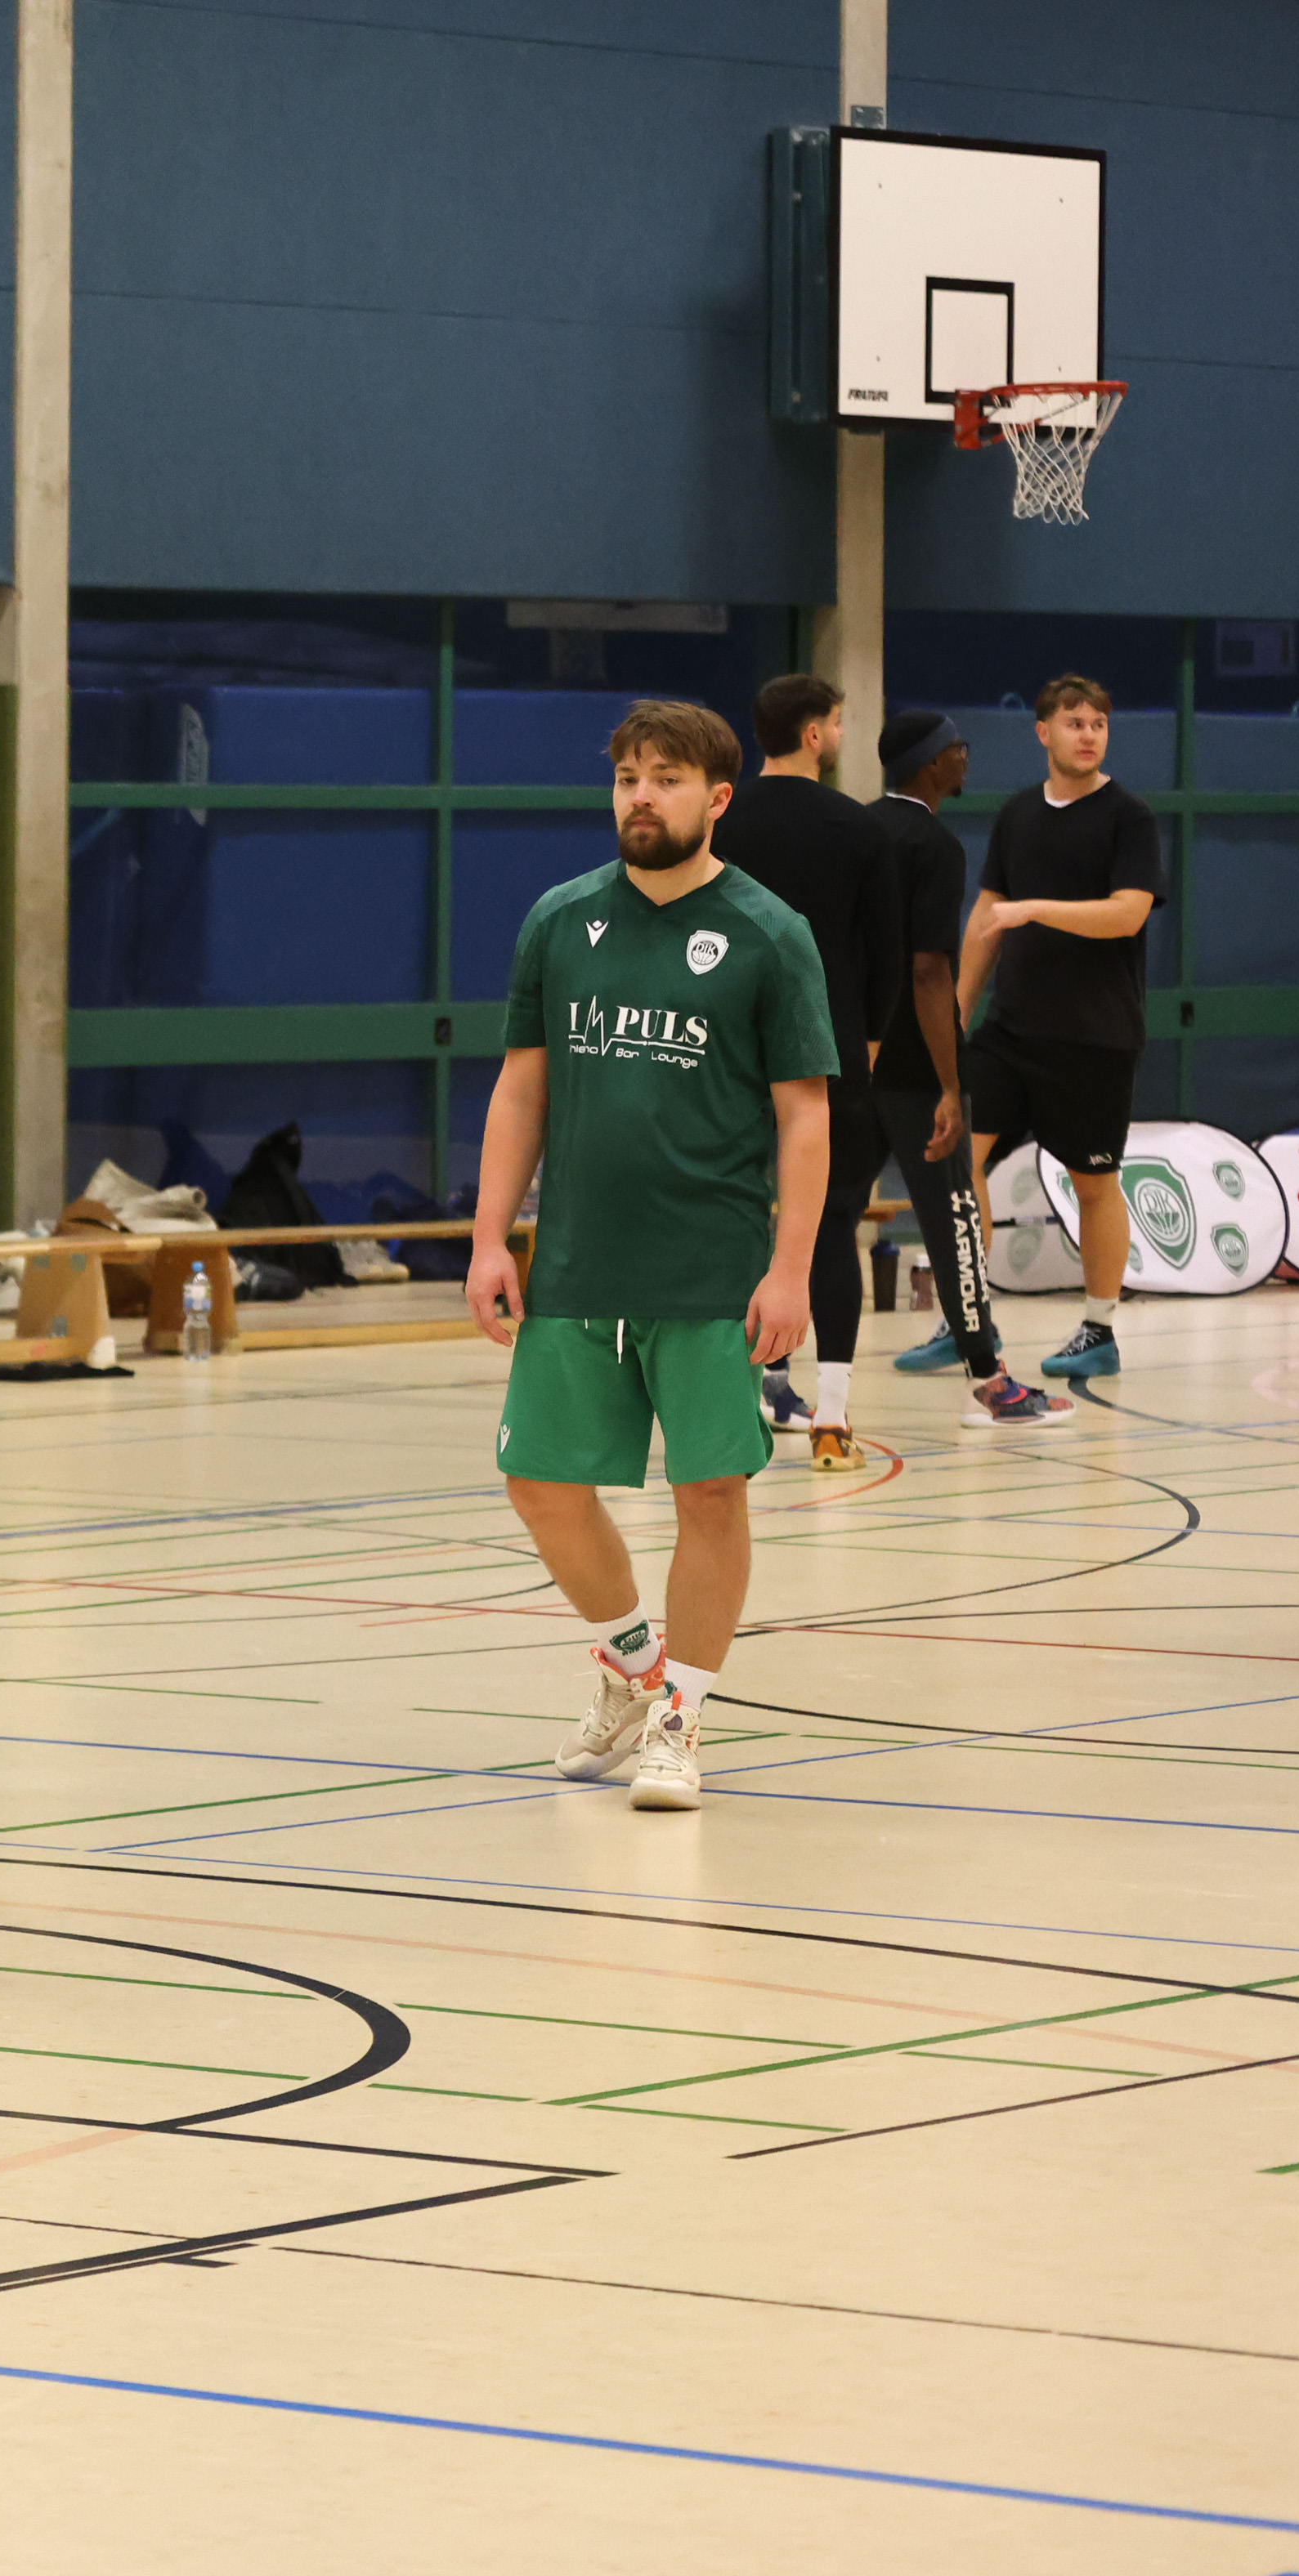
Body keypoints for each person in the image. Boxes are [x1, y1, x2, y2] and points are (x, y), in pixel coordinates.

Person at [466, 700, 835, 1814]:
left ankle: (681, 1716)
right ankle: (633, 1665)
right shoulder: (560, 919)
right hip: (577, 1262)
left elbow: (804, 1117)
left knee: (708, 1493)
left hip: (710, 1269)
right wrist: (489, 1237)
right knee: (539, 1486)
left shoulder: (770, 933)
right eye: (628, 776)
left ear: (716, 798)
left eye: (665, 779)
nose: (640, 796)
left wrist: (789, 1269)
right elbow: (521, 1089)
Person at [712, 675, 900, 1473]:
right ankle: (831, 1415)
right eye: (839, 723)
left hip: (727, 1051)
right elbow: (886, 956)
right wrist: (868, 1046)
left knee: (734, 1219)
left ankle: (747, 1393)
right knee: (829, 1225)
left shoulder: (720, 821)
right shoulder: (860, 829)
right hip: (828, 1054)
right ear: (816, 734)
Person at [957, 674, 1164, 1383]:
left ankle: (1099, 1328)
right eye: (1075, 722)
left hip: (1094, 1035)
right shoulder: (1018, 814)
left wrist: (1036, 908)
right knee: (956, 1160)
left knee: (1094, 1183)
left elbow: (1128, 914)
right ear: (1042, 731)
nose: (1088, 734)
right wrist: (956, 1007)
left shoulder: (1128, 817)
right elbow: (986, 919)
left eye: (1098, 724)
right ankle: (967, 1314)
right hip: (1010, 1031)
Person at [868, 711, 1068, 1424]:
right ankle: (989, 1380)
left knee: (826, 1220)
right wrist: (950, 1080)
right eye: (957, 748)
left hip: (845, 1060)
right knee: (954, 1219)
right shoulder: (935, 845)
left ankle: (779, 1377)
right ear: (931, 765)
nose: (965, 757)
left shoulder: (855, 831)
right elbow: (929, 971)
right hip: (913, 1068)